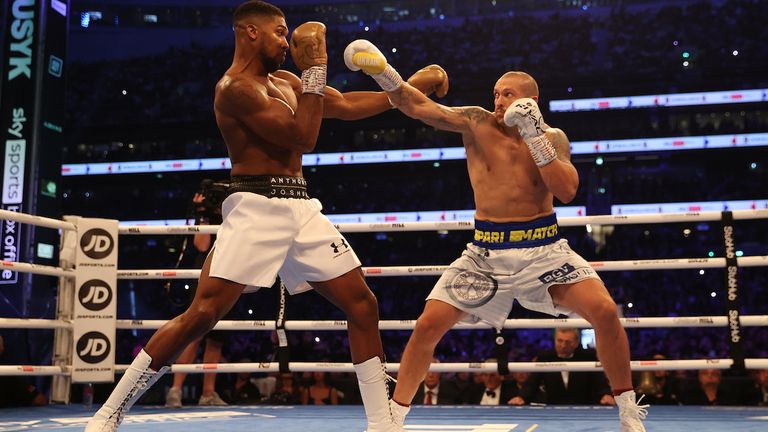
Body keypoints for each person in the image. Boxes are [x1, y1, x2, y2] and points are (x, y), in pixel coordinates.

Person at [85, 2, 448, 431]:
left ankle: (381, 423)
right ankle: (108, 414)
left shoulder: (288, 81)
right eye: (279, 32)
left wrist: (403, 90)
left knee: (362, 303)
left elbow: (346, 105)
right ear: (250, 33)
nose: (287, 41)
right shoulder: (234, 89)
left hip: (301, 207)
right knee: (201, 315)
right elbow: (303, 136)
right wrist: (317, 68)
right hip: (255, 207)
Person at [344, 39, 648, 431]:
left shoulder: (552, 137)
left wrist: (534, 133)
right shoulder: (476, 122)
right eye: (496, 93)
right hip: (485, 254)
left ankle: (627, 412)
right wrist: (380, 70)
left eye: (508, 94)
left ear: (532, 100)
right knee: (427, 324)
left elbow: (568, 190)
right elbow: (416, 105)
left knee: (605, 311)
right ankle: (393, 420)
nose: (499, 100)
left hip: (545, 250)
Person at [165, 192, 229, 408]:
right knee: (194, 333)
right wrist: (203, 214)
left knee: (217, 339)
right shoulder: (205, 217)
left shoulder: (235, 213)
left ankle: (208, 393)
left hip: (230, 270)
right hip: (205, 273)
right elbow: (201, 245)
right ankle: (175, 390)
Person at [508, 328, 613, 405]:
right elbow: (533, 381)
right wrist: (521, 397)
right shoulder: (545, 357)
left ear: (576, 343)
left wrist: (605, 394)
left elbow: (599, 380)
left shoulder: (587, 356)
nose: (563, 346)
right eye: (560, 341)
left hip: (584, 407)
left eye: (568, 342)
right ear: (554, 340)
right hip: (554, 408)